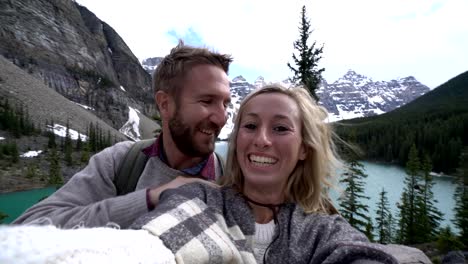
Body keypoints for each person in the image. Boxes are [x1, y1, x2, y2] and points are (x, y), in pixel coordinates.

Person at [130, 84, 398, 263]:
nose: (262, 140)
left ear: (304, 148)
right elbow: (150, 244)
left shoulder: (320, 229)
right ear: (237, 140)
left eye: (280, 128)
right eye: (250, 125)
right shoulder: (201, 201)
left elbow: (355, 254)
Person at [12, 41, 233, 229]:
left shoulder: (231, 177)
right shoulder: (121, 163)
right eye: (207, 101)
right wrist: (152, 198)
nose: (221, 118)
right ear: (165, 104)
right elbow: (28, 225)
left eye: (225, 104)